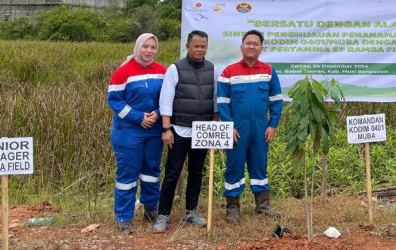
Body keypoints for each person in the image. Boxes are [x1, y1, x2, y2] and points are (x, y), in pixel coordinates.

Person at [152, 30, 216, 233]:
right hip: (179, 130)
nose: (200, 50)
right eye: (196, 46)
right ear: (187, 46)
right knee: (172, 173)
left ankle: (191, 212)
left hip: (203, 130)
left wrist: (214, 125)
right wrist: (166, 128)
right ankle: (163, 215)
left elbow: (215, 100)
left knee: (197, 172)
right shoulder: (175, 68)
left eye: (203, 46)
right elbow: (166, 99)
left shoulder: (212, 69)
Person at [217, 30, 284, 223]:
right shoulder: (228, 72)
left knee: (259, 165)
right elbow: (222, 102)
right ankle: (232, 209)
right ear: (241, 46)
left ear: (261, 48)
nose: (252, 46)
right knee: (234, 166)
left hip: (261, 126)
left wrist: (273, 125)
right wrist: (229, 126)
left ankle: (263, 206)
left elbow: (276, 100)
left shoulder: (269, 71)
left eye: (256, 43)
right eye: (248, 43)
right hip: (237, 128)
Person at [108, 33, 166, 232]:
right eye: (145, 46)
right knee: (128, 174)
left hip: (154, 130)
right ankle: (124, 217)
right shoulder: (123, 71)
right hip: (128, 132)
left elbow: (167, 98)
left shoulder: (162, 71)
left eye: (153, 47)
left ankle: (151, 209)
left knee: (151, 172)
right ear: (138, 47)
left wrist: (158, 114)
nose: (149, 51)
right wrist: (138, 118)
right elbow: (114, 99)